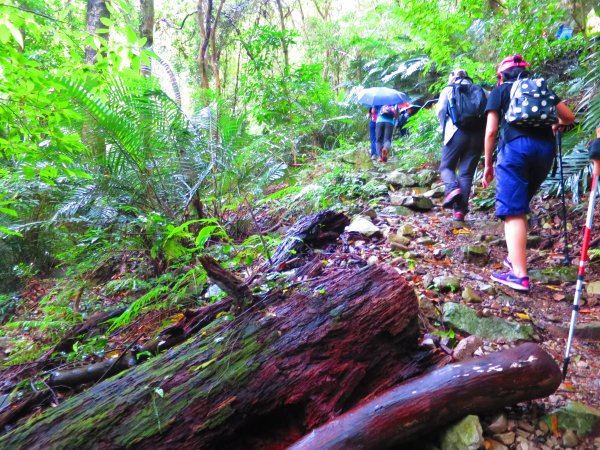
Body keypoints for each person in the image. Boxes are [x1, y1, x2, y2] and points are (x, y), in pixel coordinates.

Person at [482, 54, 576, 292]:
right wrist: (555, 124)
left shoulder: (500, 91)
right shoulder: (540, 88)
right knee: (520, 204)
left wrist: (488, 165)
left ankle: (519, 276)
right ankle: (515, 258)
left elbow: (491, 131)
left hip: (515, 150)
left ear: (500, 76)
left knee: (513, 210)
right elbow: (569, 117)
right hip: (544, 152)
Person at [436, 69, 486, 222]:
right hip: (478, 135)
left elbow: (440, 111)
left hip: (456, 131)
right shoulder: (481, 90)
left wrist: (443, 126)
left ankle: (452, 188)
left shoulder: (449, 89)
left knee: (446, 167)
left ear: (453, 77)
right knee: (466, 173)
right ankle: (459, 212)